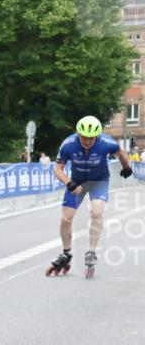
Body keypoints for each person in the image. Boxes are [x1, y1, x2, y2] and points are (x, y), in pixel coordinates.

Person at [47, 115, 133, 276]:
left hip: (99, 182)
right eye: (84, 138)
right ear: (78, 134)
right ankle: (66, 253)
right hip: (76, 183)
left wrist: (126, 167)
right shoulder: (68, 145)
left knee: (96, 212)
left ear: (97, 136)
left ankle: (92, 251)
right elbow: (58, 169)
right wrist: (68, 183)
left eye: (91, 138)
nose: (87, 141)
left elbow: (120, 152)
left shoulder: (107, 143)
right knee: (65, 218)